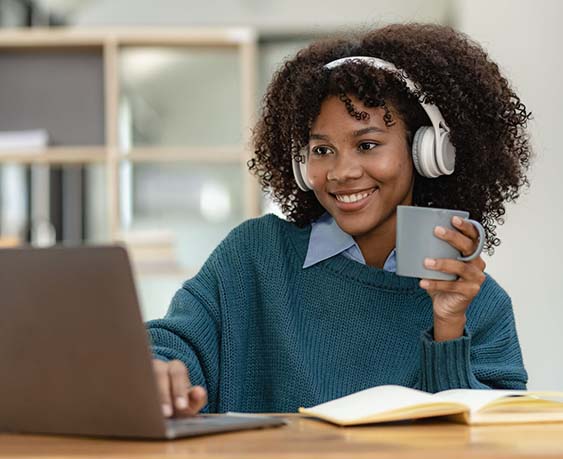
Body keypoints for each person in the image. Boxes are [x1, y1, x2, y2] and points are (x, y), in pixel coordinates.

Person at [147, 23, 531, 418]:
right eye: (322, 149)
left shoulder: (479, 303)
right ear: (300, 164)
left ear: (427, 151)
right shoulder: (254, 256)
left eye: (367, 145)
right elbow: (174, 342)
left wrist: (449, 327)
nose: (342, 171)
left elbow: (488, 437)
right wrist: (157, 370)